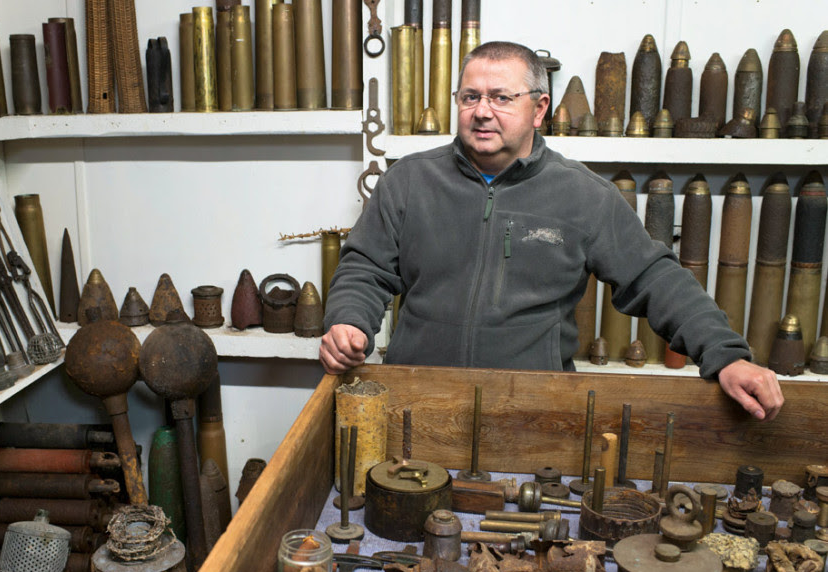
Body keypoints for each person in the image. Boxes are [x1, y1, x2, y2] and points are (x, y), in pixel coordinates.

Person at [320, 41, 783, 421]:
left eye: (501, 97)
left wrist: (725, 355)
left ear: (539, 108)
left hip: (533, 409)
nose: (482, 111)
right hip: (413, 401)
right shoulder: (409, 180)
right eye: (470, 97)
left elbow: (655, 279)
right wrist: (347, 319)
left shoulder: (583, 195)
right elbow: (366, 266)